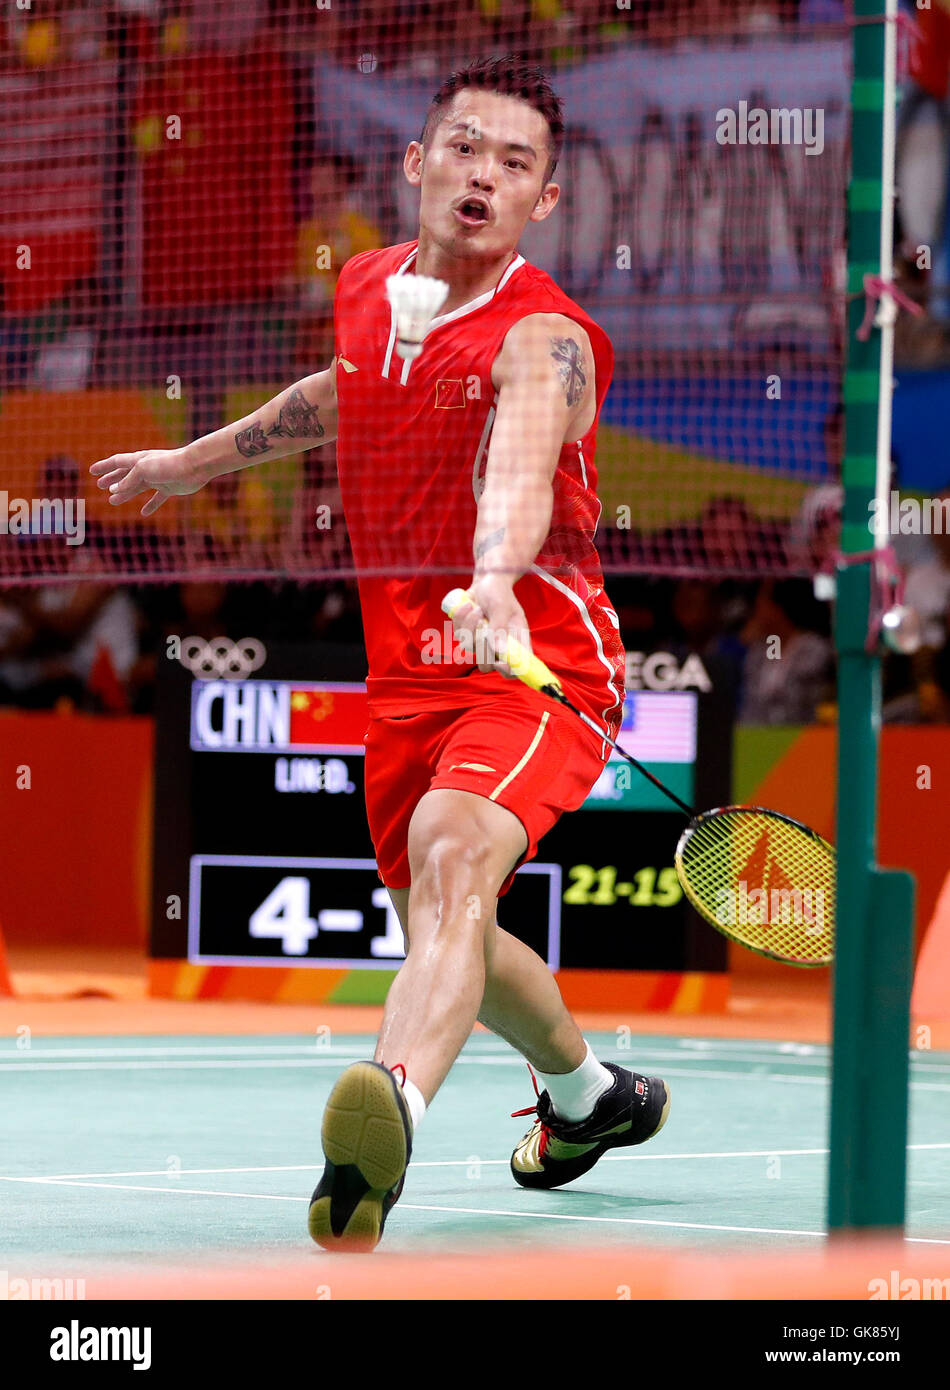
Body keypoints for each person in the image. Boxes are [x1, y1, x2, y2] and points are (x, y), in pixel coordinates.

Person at [90, 54, 670, 1252]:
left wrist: (496, 578)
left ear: (543, 202)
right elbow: (341, 390)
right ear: (416, 163)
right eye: (464, 147)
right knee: (446, 923)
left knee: (454, 861)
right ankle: (588, 1098)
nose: (482, 175)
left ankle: (388, 1103)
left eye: (515, 164)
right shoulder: (366, 287)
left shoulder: (545, 338)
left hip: (527, 661)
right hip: (404, 675)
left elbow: (517, 459)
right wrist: (186, 464)